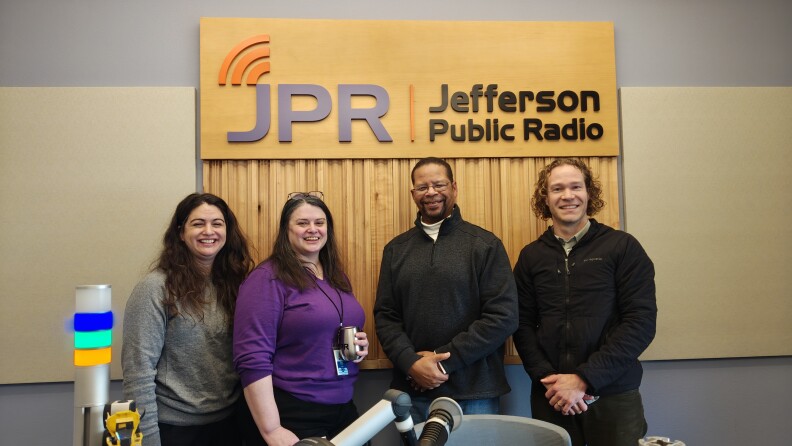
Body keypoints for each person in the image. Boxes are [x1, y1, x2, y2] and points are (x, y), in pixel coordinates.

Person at [512, 158, 657, 446]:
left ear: (589, 192)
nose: (568, 195)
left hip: (613, 393)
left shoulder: (623, 247)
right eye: (557, 188)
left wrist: (583, 379)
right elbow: (521, 324)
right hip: (550, 396)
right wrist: (551, 381)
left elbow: (640, 322)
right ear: (546, 197)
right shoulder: (531, 257)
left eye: (576, 186)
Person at [374, 157, 518, 422]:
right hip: (412, 392)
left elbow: (503, 317)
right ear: (413, 193)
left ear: (454, 187)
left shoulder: (485, 245)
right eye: (422, 187)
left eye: (439, 185)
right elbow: (386, 315)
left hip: (475, 393)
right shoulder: (395, 250)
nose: (431, 193)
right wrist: (411, 363)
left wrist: (442, 363)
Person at [234, 191, 370, 446]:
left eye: (320, 223)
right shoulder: (267, 278)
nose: (313, 229)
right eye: (302, 223)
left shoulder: (334, 276)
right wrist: (272, 429)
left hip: (342, 408)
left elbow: (328, 328)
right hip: (293, 411)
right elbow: (252, 357)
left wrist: (359, 345)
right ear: (286, 230)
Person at [122, 193, 254, 446]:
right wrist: (148, 440)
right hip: (174, 429)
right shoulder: (156, 288)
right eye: (198, 223)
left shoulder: (238, 286)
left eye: (217, 223)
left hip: (230, 423)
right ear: (181, 233)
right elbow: (137, 372)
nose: (209, 231)